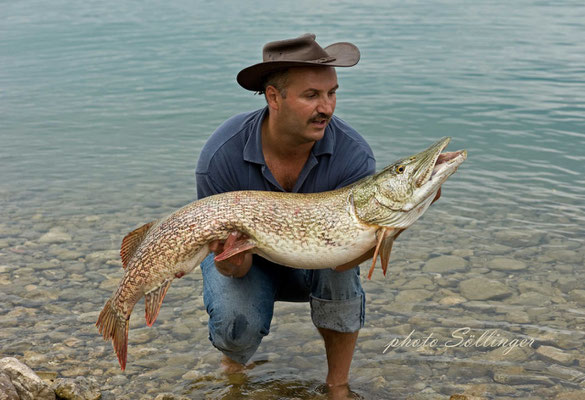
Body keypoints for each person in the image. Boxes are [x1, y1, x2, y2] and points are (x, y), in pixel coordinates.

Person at [195, 33, 377, 392]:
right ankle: (234, 366)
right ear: (273, 97)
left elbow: (348, 260)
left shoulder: (354, 156)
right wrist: (232, 260)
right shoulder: (221, 156)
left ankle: (338, 386)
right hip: (251, 263)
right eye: (312, 95)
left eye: (332, 93)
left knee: (341, 273)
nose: (326, 107)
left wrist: (389, 229)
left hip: (320, 259)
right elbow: (231, 265)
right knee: (234, 320)